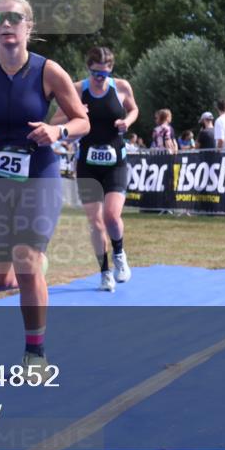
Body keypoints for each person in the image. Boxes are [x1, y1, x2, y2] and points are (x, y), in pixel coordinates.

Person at [0, 0, 88, 376]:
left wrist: (57, 128)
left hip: (39, 171)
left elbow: (82, 120)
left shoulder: (49, 71)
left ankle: (35, 354)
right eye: (0, 18)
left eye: (15, 17)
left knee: (26, 264)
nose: (7, 24)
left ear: (28, 26)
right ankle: (34, 265)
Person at [54, 47, 138, 293]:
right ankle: (104, 272)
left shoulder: (121, 87)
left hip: (115, 162)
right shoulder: (78, 90)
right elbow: (55, 122)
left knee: (112, 216)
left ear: (110, 70)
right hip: (88, 164)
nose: (99, 78)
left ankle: (119, 254)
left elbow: (134, 109)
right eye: (95, 73)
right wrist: (76, 115)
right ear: (88, 68)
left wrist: (127, 122)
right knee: (96, 222)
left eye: (104, 74)